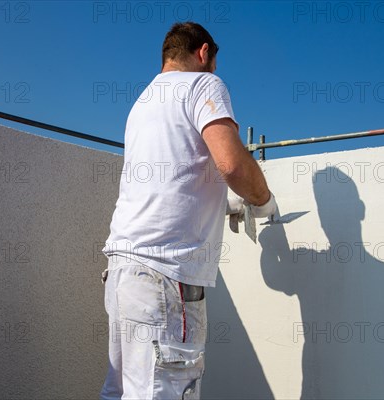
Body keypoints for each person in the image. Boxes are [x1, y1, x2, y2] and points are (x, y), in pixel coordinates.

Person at [100, 22, 277, 399]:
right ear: (203, 52)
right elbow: (231, 164)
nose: (215, 69)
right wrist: (263, 200)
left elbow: (172, 179)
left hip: (123, 271)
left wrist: (226, 204)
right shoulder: (204, 85)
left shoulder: (143, 102)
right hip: (164, 276)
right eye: (214, 61)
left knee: (121, 391)